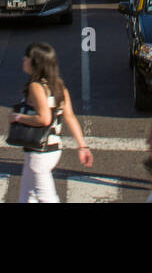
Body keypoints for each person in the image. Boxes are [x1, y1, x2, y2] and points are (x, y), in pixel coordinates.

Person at [8, 42, 93, 202]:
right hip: (51, 148)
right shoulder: (59, 86)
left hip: (40, 151)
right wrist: (82, 146)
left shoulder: (36, 87)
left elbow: (44, 118)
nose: (23, 60)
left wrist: (18, 117)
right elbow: (70, 117)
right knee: (28, 196)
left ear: (35, 63)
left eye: (26, 57)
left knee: (47, 198)